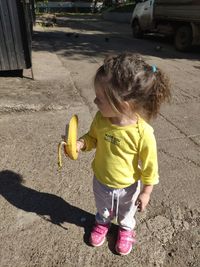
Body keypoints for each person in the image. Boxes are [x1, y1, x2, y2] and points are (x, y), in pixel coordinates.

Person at [76, 53, 171, 255]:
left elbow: (150, 166)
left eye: (100, 98)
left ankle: (126, 228)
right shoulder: (101, 120)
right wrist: (81, 143)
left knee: (126, 211)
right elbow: (92, 138)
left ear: (123, 104)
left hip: (128, 186)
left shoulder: (143, 133)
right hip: (101, 180)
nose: (94, 101)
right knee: (103, 208)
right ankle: (102, 223)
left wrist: (146, 192)